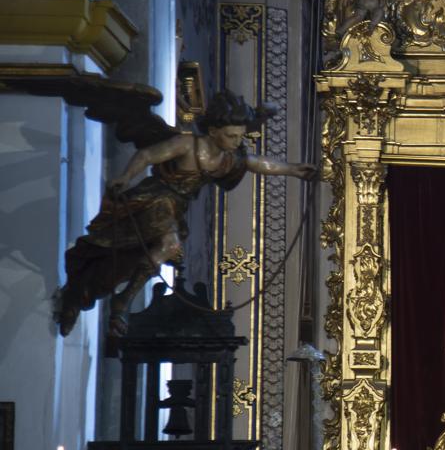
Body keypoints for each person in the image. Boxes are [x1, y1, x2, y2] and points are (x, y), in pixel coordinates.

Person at [55, 91, 316, 336]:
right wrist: (125, 176)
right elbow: (147, 155)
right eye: (231, 136)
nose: (237, 142)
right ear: (213, 131)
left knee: (127, 260)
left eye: (239, 136)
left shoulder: (229, 157)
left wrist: (293, 170)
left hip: (174, 209)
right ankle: (120, 303)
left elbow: (257, 163)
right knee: (163, 246)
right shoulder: (187, 144)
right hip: (151, 200)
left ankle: (96, 297)